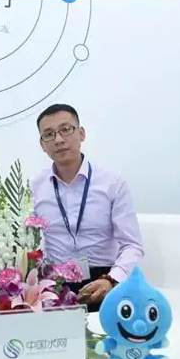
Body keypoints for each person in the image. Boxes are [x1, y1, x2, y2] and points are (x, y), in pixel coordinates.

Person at [31, 104, 144, 313]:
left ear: (81, 133)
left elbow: (132, 245)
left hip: (105, 280)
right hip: (56, 287)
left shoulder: (112, 183)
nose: (58, 139)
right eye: (49, 134)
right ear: (42, 144)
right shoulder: (34, 188)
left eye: (66, 129)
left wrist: (112, 280)